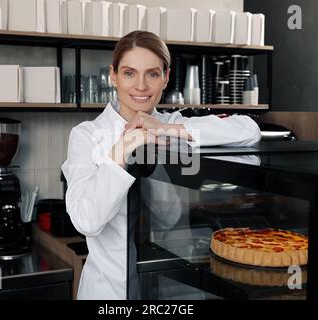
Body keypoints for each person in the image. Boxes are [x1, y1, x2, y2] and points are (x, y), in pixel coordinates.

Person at [61, 30, 261, 300]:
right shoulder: (86, 135)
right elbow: (87, 222)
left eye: (152, 74)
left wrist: (168, 130)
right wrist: (121, 151)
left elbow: (248, 130)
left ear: (166, 77)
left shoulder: (175, 125)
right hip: (111, 292)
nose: (141, 86)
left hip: (173, 288)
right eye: (130, 73)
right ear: (114, 75)